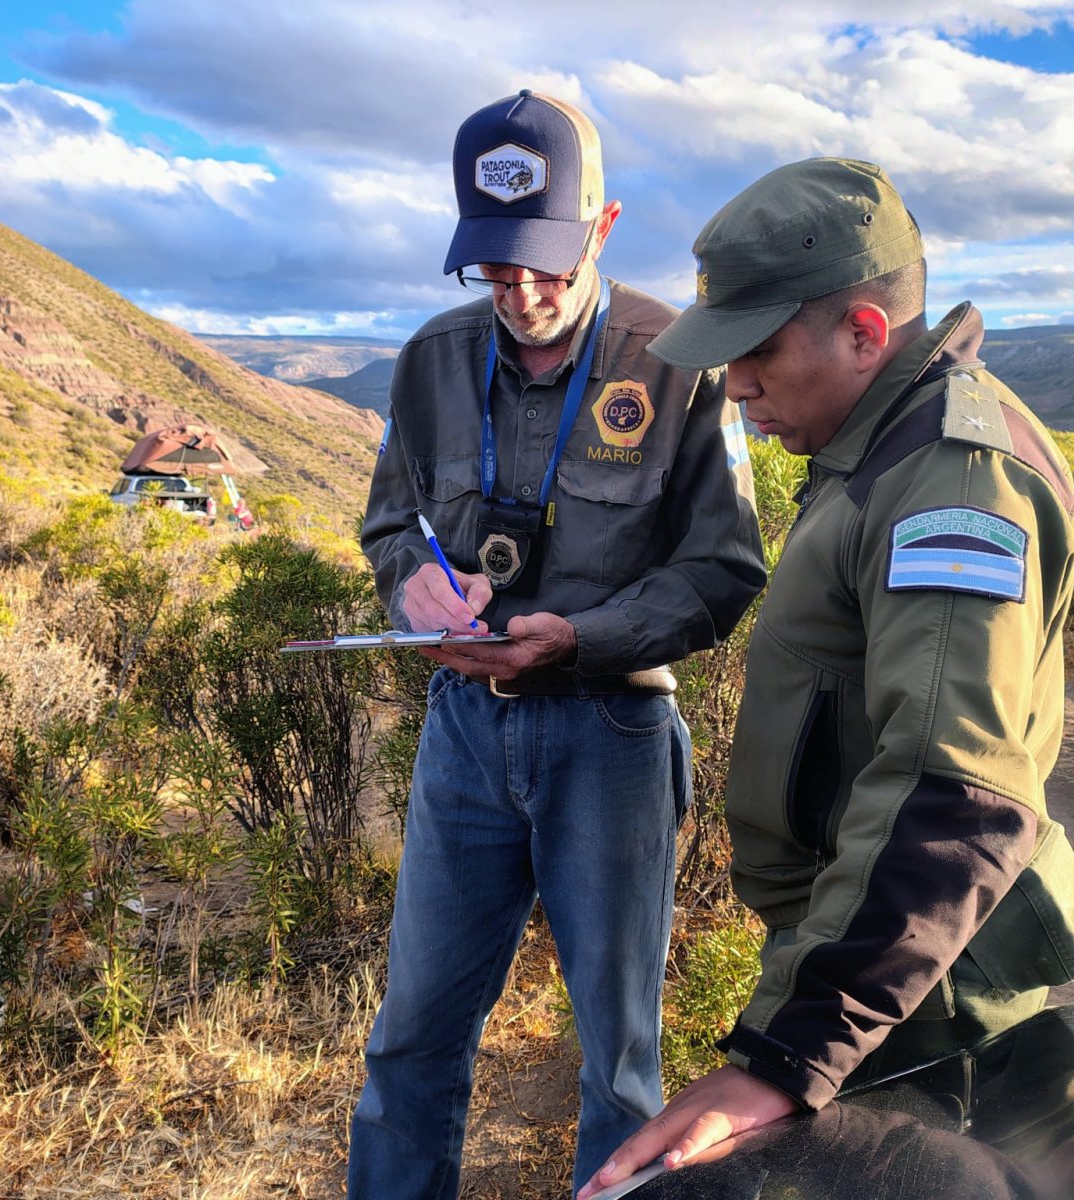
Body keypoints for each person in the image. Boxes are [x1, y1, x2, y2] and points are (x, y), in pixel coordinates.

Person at [579, 156, 1074, 1198]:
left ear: (865, 334)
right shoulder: (879, 447)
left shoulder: (951, 478)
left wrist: (785, 1057)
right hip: (891, 974)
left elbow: (955, 793)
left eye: (759, 354)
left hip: (928, 1001)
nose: (736, 387)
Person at [348, 90, 767, 1198]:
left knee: (620, 1065)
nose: (521, 293)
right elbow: (390, 521)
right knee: (410, 1036)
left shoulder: (682, 363)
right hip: (466, 740)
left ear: (604, 223)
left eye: (545, 260)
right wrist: (414, 588)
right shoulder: (431, 361)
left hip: (614, 739)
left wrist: (577, 637)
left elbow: (727, 570)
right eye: (492, 268)